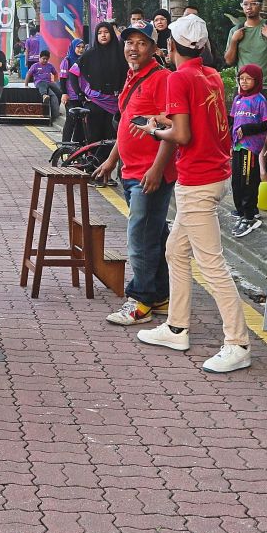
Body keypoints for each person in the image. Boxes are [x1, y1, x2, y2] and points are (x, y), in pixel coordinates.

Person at [137, 14, 252, 374]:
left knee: (212, 265)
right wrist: (164, 120)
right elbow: (196, 124)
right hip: (213, 173)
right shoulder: (211, 75)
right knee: (176, 250)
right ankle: (175, 327)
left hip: (197, 180)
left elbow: (183, 136)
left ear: (171, 46)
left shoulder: (178, 78)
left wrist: (155, 131)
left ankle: (238, 343)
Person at [94, 25, 176, 326]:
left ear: (154, 49)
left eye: (142, 43)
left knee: (140, 237)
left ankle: (140, 300)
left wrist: (157, 169)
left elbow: (173, 127)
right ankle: (161, 294)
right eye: (129, 43)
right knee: (154, 234)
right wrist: (111, 160)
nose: (133, 48)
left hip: (149, 174)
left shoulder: (163, 79)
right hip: (130, 170)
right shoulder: (132, 77)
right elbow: (127, 124)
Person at [71, 22, 128, 152]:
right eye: (99, 33)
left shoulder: (121, 53)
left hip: (115, 103)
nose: (103, 35)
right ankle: (91, 169)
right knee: (94, 139)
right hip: (95, 102)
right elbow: (73, 72)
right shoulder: (90, 53)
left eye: (106, 32)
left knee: (111, 140)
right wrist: (79, 93)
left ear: (112, 34)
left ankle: (105, 170)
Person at [229, 64, 267, 238]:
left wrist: (247, 129)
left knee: (247, 181)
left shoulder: (259, 100)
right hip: (237, 146)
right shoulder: (238, 99)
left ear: (257, 80)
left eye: (248, 79)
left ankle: (249, 216)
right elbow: (231, 119)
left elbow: (266, 124)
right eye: (241, 79)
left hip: (250, 147)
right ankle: (242, 211)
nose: (244, 82)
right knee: (236, 181)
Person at [224, 0, 267, 98]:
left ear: (261, 6)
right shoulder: (235, 31)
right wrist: (234, 41)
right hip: (243, 88)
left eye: (253, 4)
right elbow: (229, 61)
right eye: (245, 4)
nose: (249, 7)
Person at [25, 49, 63, 123]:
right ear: (40, 58)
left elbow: (55, 73)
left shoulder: (50, 66)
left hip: (49, 82)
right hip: (39, 82)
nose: (45, 60)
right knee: (43, 85)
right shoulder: (35, 66)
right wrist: (26, 85)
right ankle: (44, 95)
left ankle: (56, 109)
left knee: (59, 92)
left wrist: (55, 81)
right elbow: (28, 75)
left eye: (46, 59)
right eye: (43, 59)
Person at [59, 39, 86, 144]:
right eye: (78, 47)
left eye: (83, 47)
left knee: (81, 123)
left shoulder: (84, 60)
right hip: (71, 96)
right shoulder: (67, 61)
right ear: (73, 47)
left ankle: (77, 146)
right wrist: (64, 93)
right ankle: (65, 145)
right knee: (71, 121)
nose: (81, 49)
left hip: (82, 96)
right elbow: (62, 78)